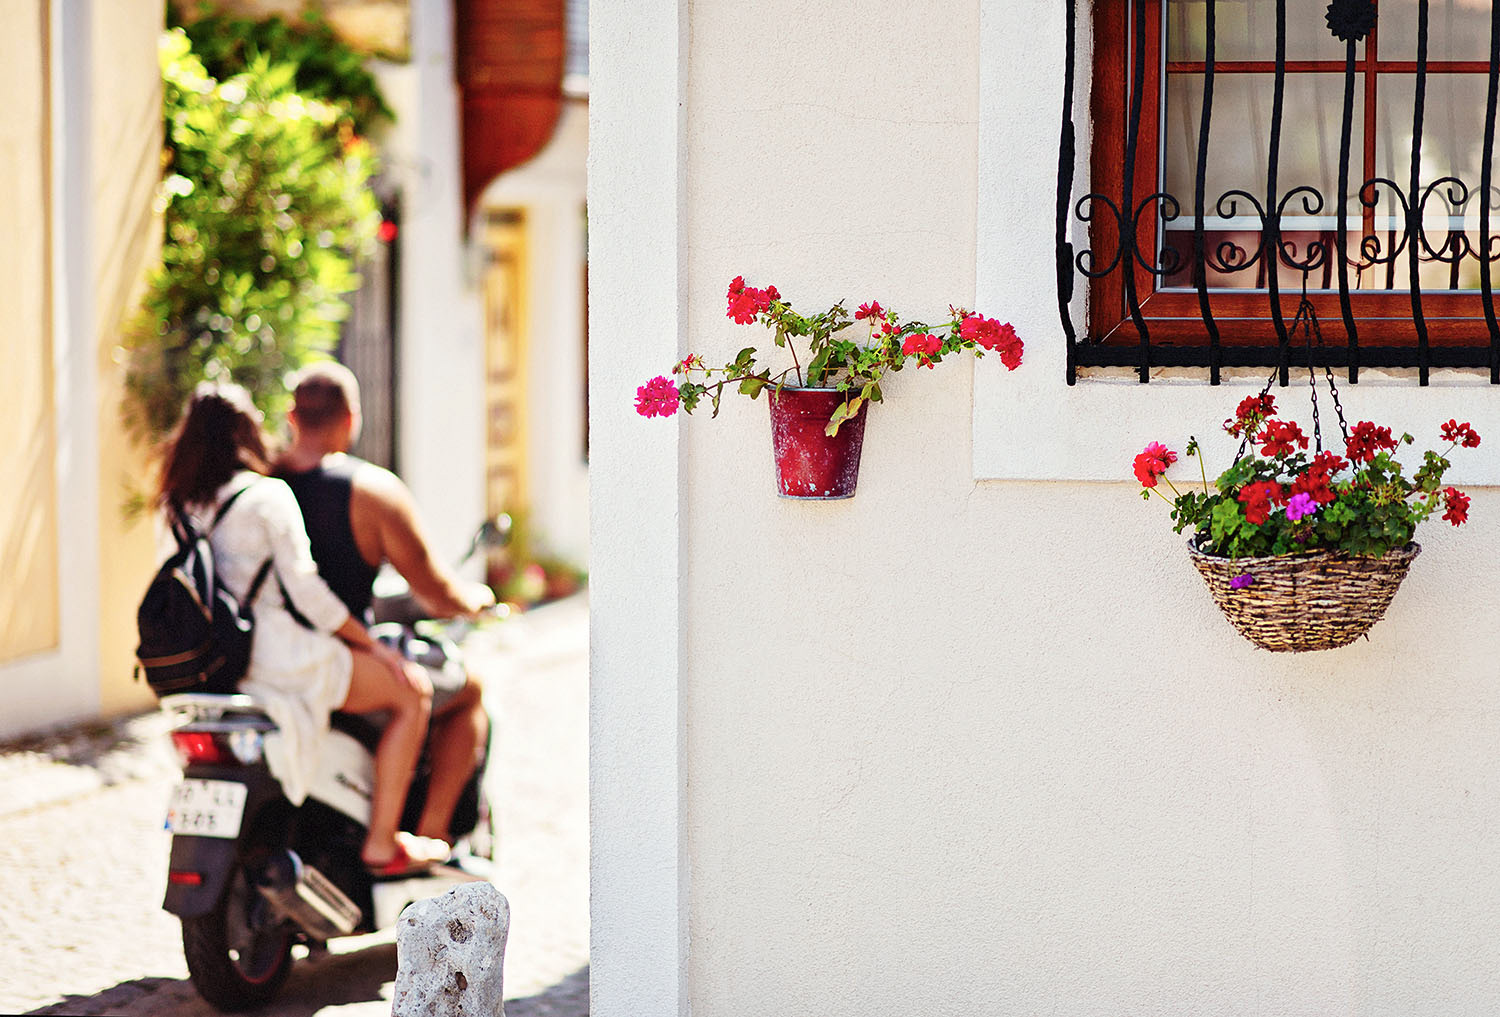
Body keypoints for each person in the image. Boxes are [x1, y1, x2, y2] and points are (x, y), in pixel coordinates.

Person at [158, 382, 450, 877]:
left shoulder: (177, 503)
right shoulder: (268, 495)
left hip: (207, 661)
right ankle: (382, 843)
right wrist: (375, 647)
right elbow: (308, 594)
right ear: (247, 433)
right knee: (411, 695)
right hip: (277, 657)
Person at [274, 362, 495, 847]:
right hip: (338, 658)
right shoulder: (371, 491)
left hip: (267, 654)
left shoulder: (261, 480)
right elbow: (435, 591)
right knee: (468, 690)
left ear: (292, 417)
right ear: (351, 419)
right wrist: (477, 600)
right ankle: (426, 834)